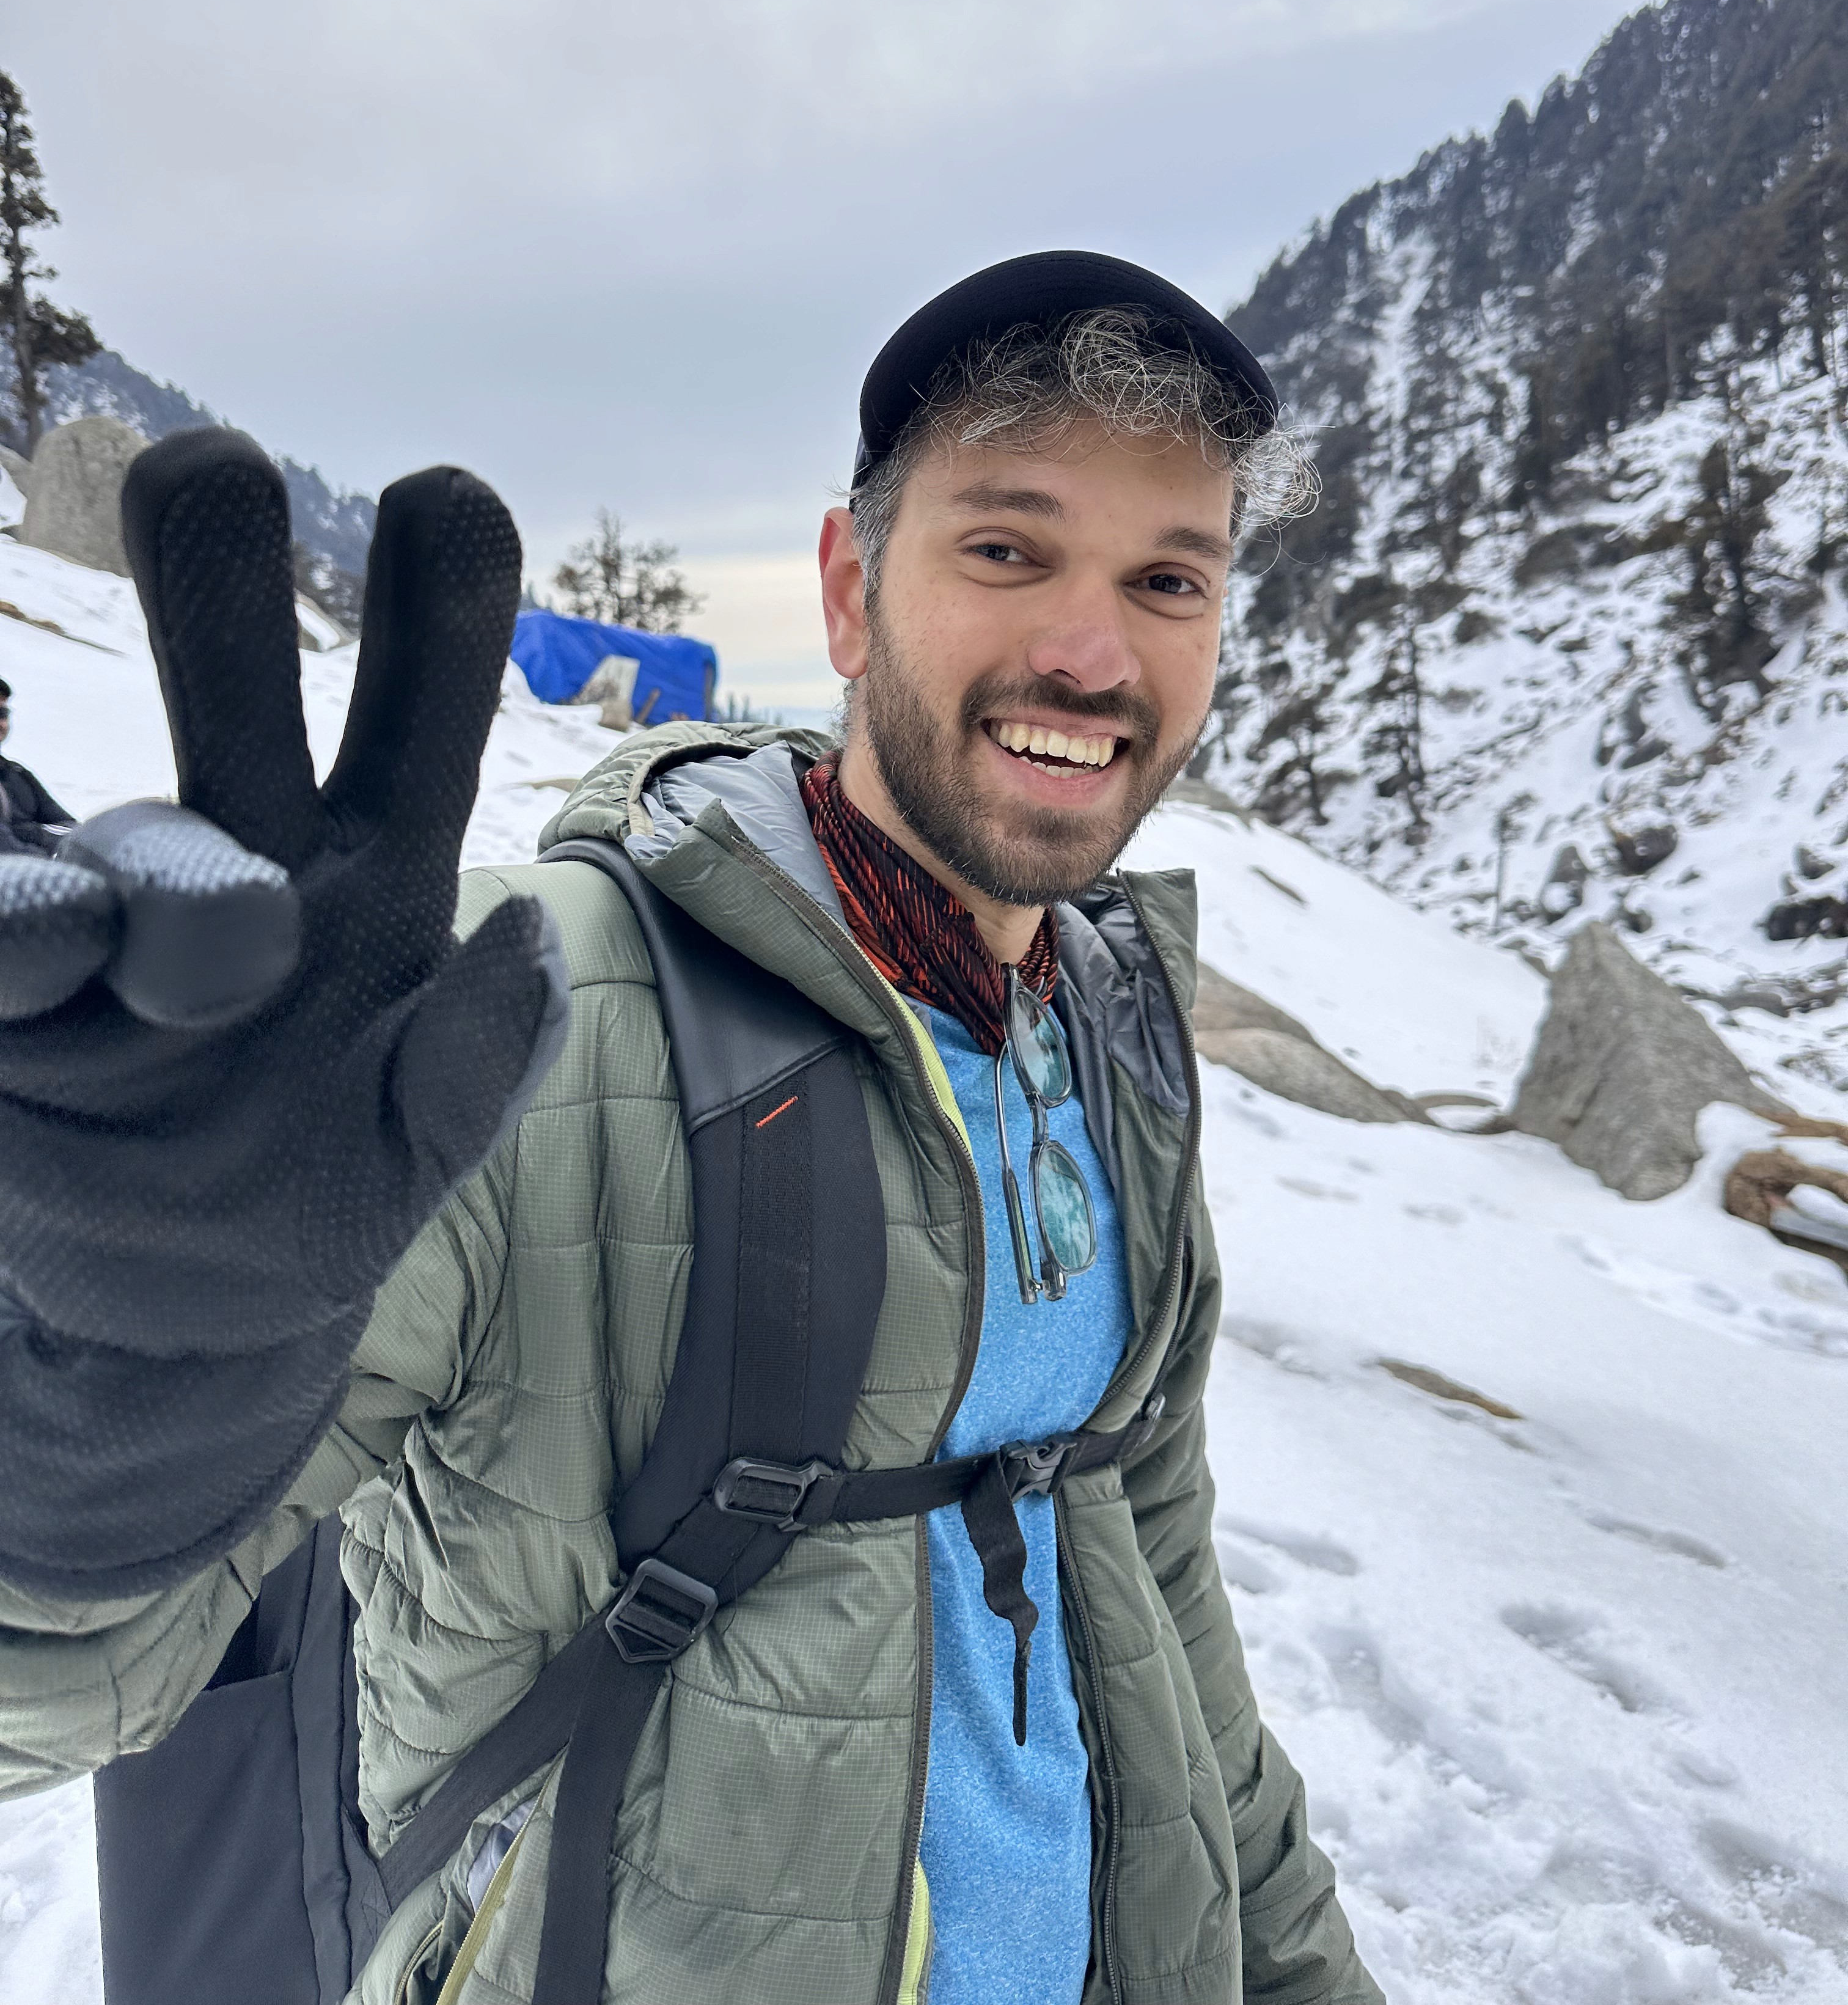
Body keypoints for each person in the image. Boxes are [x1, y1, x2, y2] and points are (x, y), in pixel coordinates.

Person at [0, 251, 1382, 2005]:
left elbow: (1158, 1586)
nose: (1093, 651)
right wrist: (116, 1383)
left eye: (1167, 579)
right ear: (850, 587)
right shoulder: (514, 1031)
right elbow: (52, 1689)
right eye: (1009, 548)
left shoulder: (1109, 1036)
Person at [0, 678, 74, 854]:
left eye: (3, 714)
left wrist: (32, 833)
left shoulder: (17, 774)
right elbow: (8, 853)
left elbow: (77, 833)